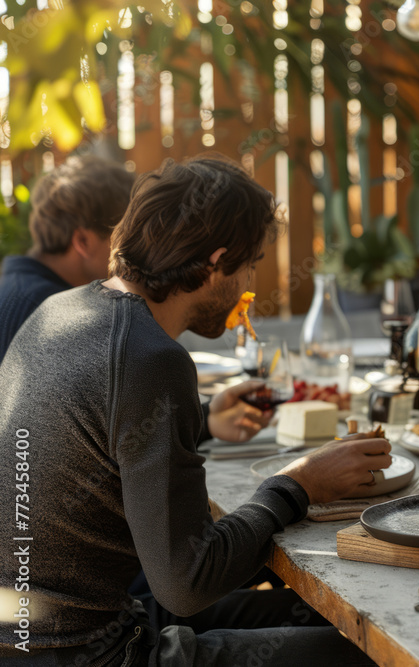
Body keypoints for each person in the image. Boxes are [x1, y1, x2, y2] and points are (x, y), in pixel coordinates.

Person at [0, 155, 390, 665]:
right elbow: (187, 582)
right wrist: (298, 485)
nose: (250, 283)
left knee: (321, 617)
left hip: (34, 638)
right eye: (250, 265)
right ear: (215, 262)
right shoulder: (151, 358)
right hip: (85, 653)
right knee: (367, 654)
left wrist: (200, 418)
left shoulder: (62, 310)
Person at [0, 154, 135, 360]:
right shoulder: (45, 314)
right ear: (83, 241)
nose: (135, 251)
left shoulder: (22, 291)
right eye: (126, 239)